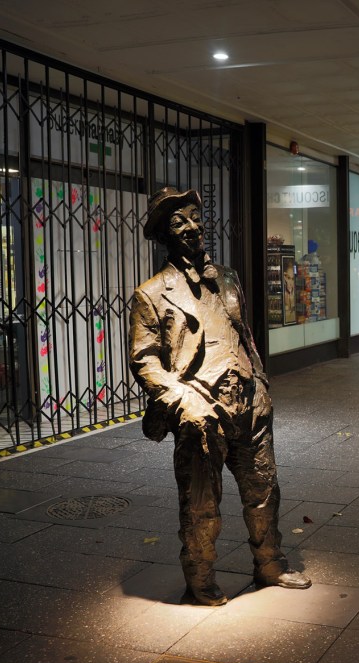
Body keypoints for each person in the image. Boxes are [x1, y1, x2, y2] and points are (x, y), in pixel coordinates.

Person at [128, 187, 310, 606]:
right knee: (200, 504)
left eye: (194, 217)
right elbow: (145, 361)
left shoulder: (227, 279)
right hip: (200, 413)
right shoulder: (151, 294)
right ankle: (200, 578)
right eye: (179, 222)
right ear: (164, 235)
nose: (192, 227)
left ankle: (270, 564)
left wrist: (261, 384)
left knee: (265, 491)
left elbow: (244, 336)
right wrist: (182, 401)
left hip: (248, 404)